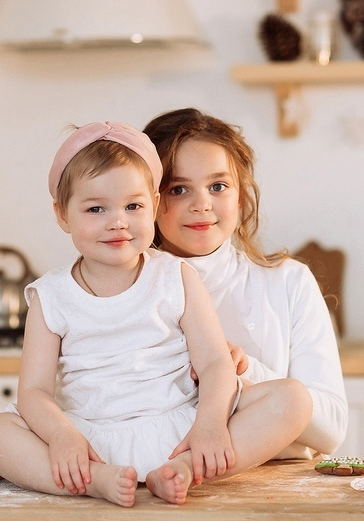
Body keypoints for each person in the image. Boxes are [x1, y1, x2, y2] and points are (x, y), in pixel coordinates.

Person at [0, 121, 311, 508]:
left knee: (292, 398)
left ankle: (184, 469)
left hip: (181, 427)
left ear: (154, 206)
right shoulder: (50, 296)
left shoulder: (176, 276)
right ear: (62, 215)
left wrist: (210, 425)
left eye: (133, 206)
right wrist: (63, 437)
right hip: (90, 441)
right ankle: (95, 481)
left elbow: (215, 363)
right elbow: (34, 392)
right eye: (96, 208)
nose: (118, 221)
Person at [143, 108, 348, 459]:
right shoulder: (123, 291)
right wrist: (286, 438)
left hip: (272, 499)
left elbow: (330, 431)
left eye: (218, 186)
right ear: (148, 199)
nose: (202, 204)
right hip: (160, 492)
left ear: (240, 196)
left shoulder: (288, 282)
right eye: (178, 189)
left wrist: (243, 368)